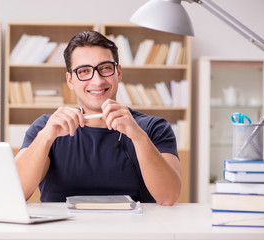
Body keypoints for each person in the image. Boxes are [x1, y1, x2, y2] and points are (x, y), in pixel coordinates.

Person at [15, 31, 181, 205]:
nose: (98, 80)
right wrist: (45, 138)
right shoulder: (46, 127)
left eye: (105, 68)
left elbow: (168, 196)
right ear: (70, 80)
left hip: (131, 231)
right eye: (84, 71)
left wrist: (138, 137)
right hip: (62, 232)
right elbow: (15, 192)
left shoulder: (153, 128)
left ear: (118, 73)